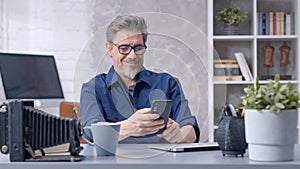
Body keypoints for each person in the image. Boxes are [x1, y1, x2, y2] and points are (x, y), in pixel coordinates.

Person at [80, 15, 200, 144]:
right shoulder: (92, 88)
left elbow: (190, 129)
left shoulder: (168, 83)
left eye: (138, 48)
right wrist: (129, 127)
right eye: (124, 48)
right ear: (109, 49)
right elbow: (92, 134)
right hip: (115, 163)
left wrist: (180, 135)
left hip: (163, 163)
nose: (132, 56)